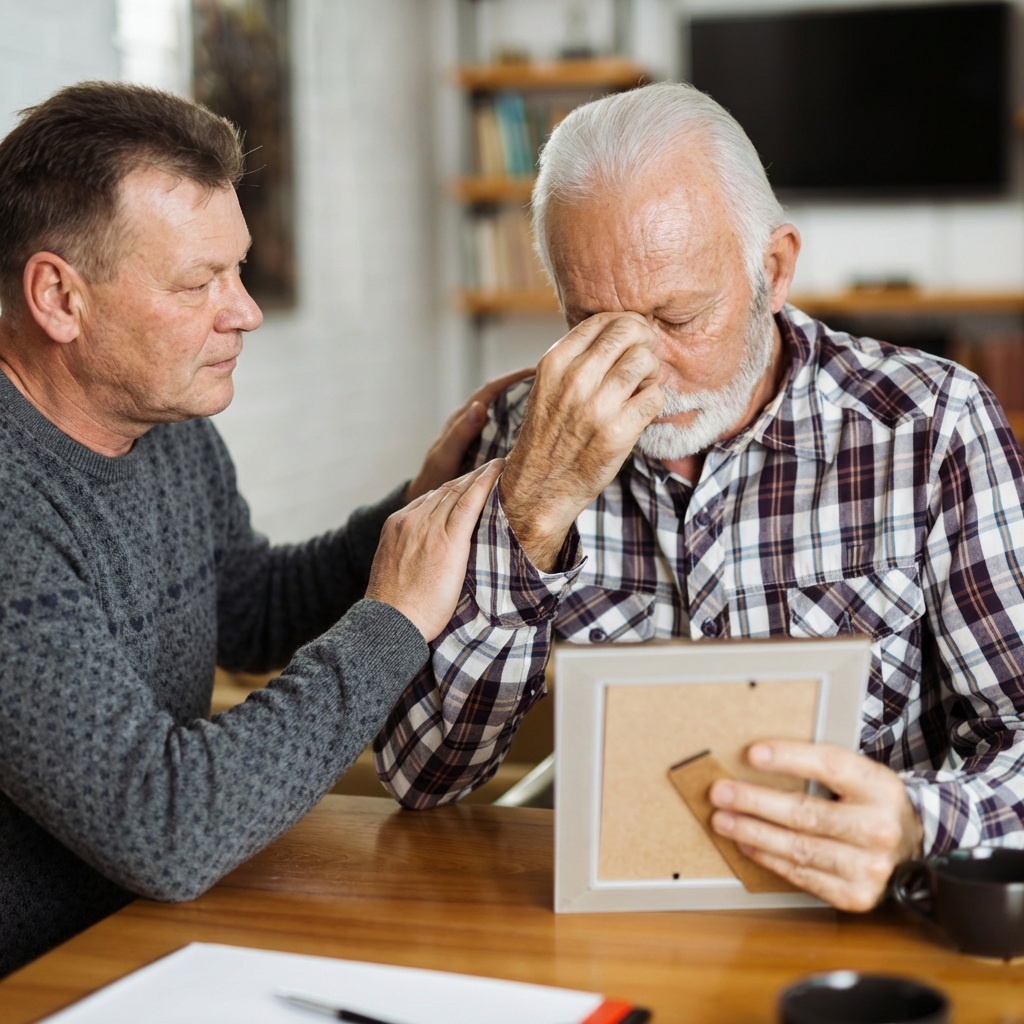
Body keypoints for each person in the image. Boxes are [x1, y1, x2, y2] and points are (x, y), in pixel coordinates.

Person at [374, 82, 1024, 913]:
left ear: (774, 270)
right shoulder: (520, 435)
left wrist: (917, 823)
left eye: (678, 318)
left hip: (862, 924)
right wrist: (533, 514)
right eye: (592, 325)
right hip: (611, 931)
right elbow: (423, 776)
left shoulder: (931, 426)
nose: (640, 372)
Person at [0, 81, 522, 977]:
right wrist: (394, 622)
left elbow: (249, 607)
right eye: (199, 282)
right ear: (58, 297)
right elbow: (167, 824)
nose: (244, 311)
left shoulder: (164, 425)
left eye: (238, 270)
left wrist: (421, 504)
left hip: (145, 942)